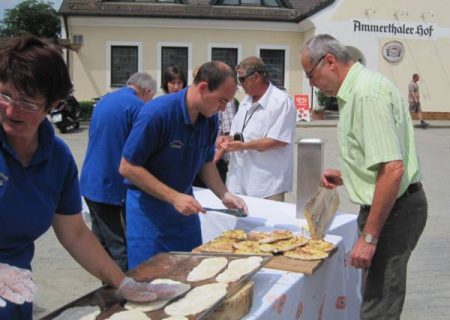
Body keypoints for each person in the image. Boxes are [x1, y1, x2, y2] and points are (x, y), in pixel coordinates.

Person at [0, 36, 183, 319]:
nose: (11, 110)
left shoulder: (57, 159)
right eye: (5, 95)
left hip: (14, 290)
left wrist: (123, 283)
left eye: (27, 102)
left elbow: (74, 233)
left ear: (52, 105)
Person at [301, 34, 427, 319]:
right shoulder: (355, 90)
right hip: (392, 205)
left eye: (310, 74)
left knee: (378, 307)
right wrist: (349, 175)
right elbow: (382, 159)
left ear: (330, 61)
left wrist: (368, 239)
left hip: (395, 211)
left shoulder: (366, 94)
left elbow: (392, 170)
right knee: (373, 296)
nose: (311, 83)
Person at [119, 61, 248, 269]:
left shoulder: (210, 119)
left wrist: (225, 194)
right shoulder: (157, 114)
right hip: (150, 217)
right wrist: (173, 197)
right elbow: (127, 167)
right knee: (150, 284)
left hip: (185, 215)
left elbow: (205, 162)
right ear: (203, 88)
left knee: (190, 274)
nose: (223, 108)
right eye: (221, 101)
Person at [79, 72, 157, 272]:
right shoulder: (138, 107)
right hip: (110, 185)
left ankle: (105, 283)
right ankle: (119, 290)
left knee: (100, 239)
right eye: (151, 97)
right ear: (147, 91)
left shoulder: (106, 99)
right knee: (118, 244)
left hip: (90, 181)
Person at [218, 56, 297, 202]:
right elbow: (238, 134)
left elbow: (278, 140)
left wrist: (244, 146)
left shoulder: (280, 102)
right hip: (239, 183)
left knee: (270, 225)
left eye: (242, 79)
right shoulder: (246, 102)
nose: (240, 85)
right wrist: (225, 140)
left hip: (266, 186)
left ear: (256, 77)